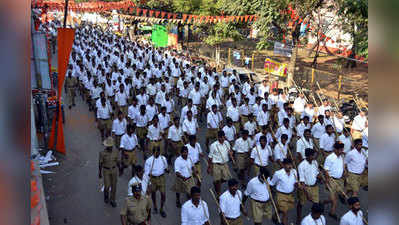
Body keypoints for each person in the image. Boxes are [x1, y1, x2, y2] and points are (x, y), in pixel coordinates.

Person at [269, 158, 298, 225]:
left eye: (291, 164)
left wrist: (298, 186)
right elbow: (272, 184)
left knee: (282, 210)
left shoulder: (294, 172)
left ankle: (274, 217)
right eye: (288, 164)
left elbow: (295, 183)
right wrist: (271, 195)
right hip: (281, 195)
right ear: (284, 165)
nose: (289, 166)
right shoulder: (278, 173)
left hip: (290, 195)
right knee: (285, 212)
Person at [296, 148, 321, 224]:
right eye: (312, 155)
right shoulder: (301, 166)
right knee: (301, 203)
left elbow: (317, 174)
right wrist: (307, 194)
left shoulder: (315, 162)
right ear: (307, 156)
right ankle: (299, 218)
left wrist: (321, 177)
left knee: (316, 203)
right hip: (305, 187)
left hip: (314, 186)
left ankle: (315, 217)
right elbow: (302, 182)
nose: (314, 157)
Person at [322, 142, 346, 219]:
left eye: (342, 149)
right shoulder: (330, 158)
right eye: (339, 149)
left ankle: (323, 202)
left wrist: (344, 172)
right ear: (335, 149)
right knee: (334, 199)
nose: (341, 151)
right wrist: (327, 181)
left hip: (340, 180)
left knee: (333, 197)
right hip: (331, 180)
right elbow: (326, 170)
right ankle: (332, 212)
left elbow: (343, 166)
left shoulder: (342, 157)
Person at [144, 147, 169, 217]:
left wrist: (167, 170)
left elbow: (165, 167)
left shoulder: (163, 159)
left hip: (161, 178)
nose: (157, 153)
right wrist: (148, 183)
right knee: (153, 193)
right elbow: (146, 173)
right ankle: (155, 206)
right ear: (153, 152)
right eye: (155, 152)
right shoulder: (149, 161)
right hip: (153, 179)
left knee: (163, 194)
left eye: (158, 152)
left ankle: (161, 209)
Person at [207, 131, 234, 196]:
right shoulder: (213, 145)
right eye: (221, 137)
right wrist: (209, 167)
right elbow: (210, 158)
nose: (222, 139)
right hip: (216, 165)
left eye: (223, 137)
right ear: (218, 137)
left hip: (225, 164)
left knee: (225, 179)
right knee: (218, 180)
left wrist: (231, 153)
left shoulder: (227, 143)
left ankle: (215, 183)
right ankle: (218, 194)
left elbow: (230, 151)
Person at [98, 137, 120, 207]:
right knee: (107, 186)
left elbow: (117, 161)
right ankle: (106, 195)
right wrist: (99, 173)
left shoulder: (115, 152)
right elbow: (100, 163)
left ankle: (112, 200)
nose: (110, 147)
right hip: (106, 170)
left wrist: (119, 168)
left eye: (111, 146)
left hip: (114, 170)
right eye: (108, 146)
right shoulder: (102, 153)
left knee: (114, 186)